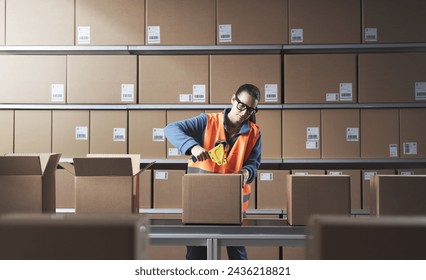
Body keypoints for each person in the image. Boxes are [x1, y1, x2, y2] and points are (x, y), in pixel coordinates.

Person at [164, 83, 262, 260]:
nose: (244, 112)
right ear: (233, 99)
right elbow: (170, 129)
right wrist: (192, 147)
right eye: (242, 106)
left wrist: (246, 173)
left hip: (235, 205)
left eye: (250, 110)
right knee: (197, 258)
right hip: (201, 203)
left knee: (238, 258)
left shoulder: (254, 133)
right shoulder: (207, 122)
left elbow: (253, 164)